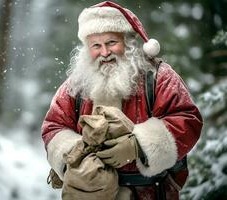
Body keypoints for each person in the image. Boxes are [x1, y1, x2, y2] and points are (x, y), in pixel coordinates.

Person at [42, 1, 203, 199]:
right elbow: (54, 126)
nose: (104, 52)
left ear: (128, 42)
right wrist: (75, 159)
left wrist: (138, 146)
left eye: (111, 43)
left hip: (150, 192)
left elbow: (188, 119)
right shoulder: (76, 84)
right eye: (96, 46)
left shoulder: (159, 76)